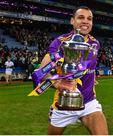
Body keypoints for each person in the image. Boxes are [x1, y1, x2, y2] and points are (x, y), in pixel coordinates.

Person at [39, 6, 108, 135]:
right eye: (81, 17)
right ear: (72, 21)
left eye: (89, 19)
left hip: (88, 102)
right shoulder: (60, 42)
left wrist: (92, 79)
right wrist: (57, 83)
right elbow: (41, 72)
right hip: (63, 104)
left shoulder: (95, 43)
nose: (86, 21)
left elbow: (89, 67)